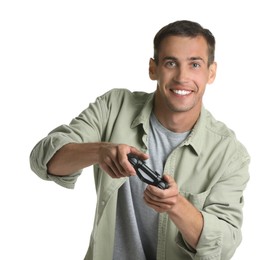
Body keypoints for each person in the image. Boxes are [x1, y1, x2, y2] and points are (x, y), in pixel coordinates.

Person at [30, 20, 250, 260]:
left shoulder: (230, 154)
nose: (182, 77)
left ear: (211, 72)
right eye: (170, 63)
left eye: (194, 64)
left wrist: (176, 205)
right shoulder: (114, 107)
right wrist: (100, 151)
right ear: (153, 68)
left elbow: (225, 245)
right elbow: (44, 160)